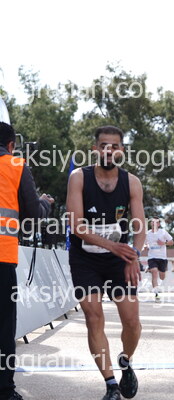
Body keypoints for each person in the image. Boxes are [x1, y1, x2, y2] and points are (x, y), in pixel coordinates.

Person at [66, 126, 145, 400]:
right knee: (93, 317)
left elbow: (139, 226)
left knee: (132, 322)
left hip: (118, 259)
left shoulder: (132, 182)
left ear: (121, 150)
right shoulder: (79, 177)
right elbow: (76, 225)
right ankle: (111, 384)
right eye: (103, 146)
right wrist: (114, 246)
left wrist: (133, 255)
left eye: (114, 146)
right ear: (95, 149)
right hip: (85, 259)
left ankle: (125, 360)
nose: (108, 150)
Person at [0, 122, 53, 400]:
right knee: (4, 327)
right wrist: (45, 203)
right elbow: (33, 214)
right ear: (11, 145)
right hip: (2, 258)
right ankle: (5, 390)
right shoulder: (16, 165)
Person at [144, 217, 174, 302]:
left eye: (155, 222)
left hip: (162, 258)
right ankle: (156, 294)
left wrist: (164, 243)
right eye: (152, 222)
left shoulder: (163, 232)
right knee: (154, 272)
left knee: (162, 277)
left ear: (158, 224)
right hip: (152, 257)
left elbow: (172, 242)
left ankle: (155, 270)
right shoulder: (147, 233)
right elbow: (145, 244)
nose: (153, 223)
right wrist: (146, 246)